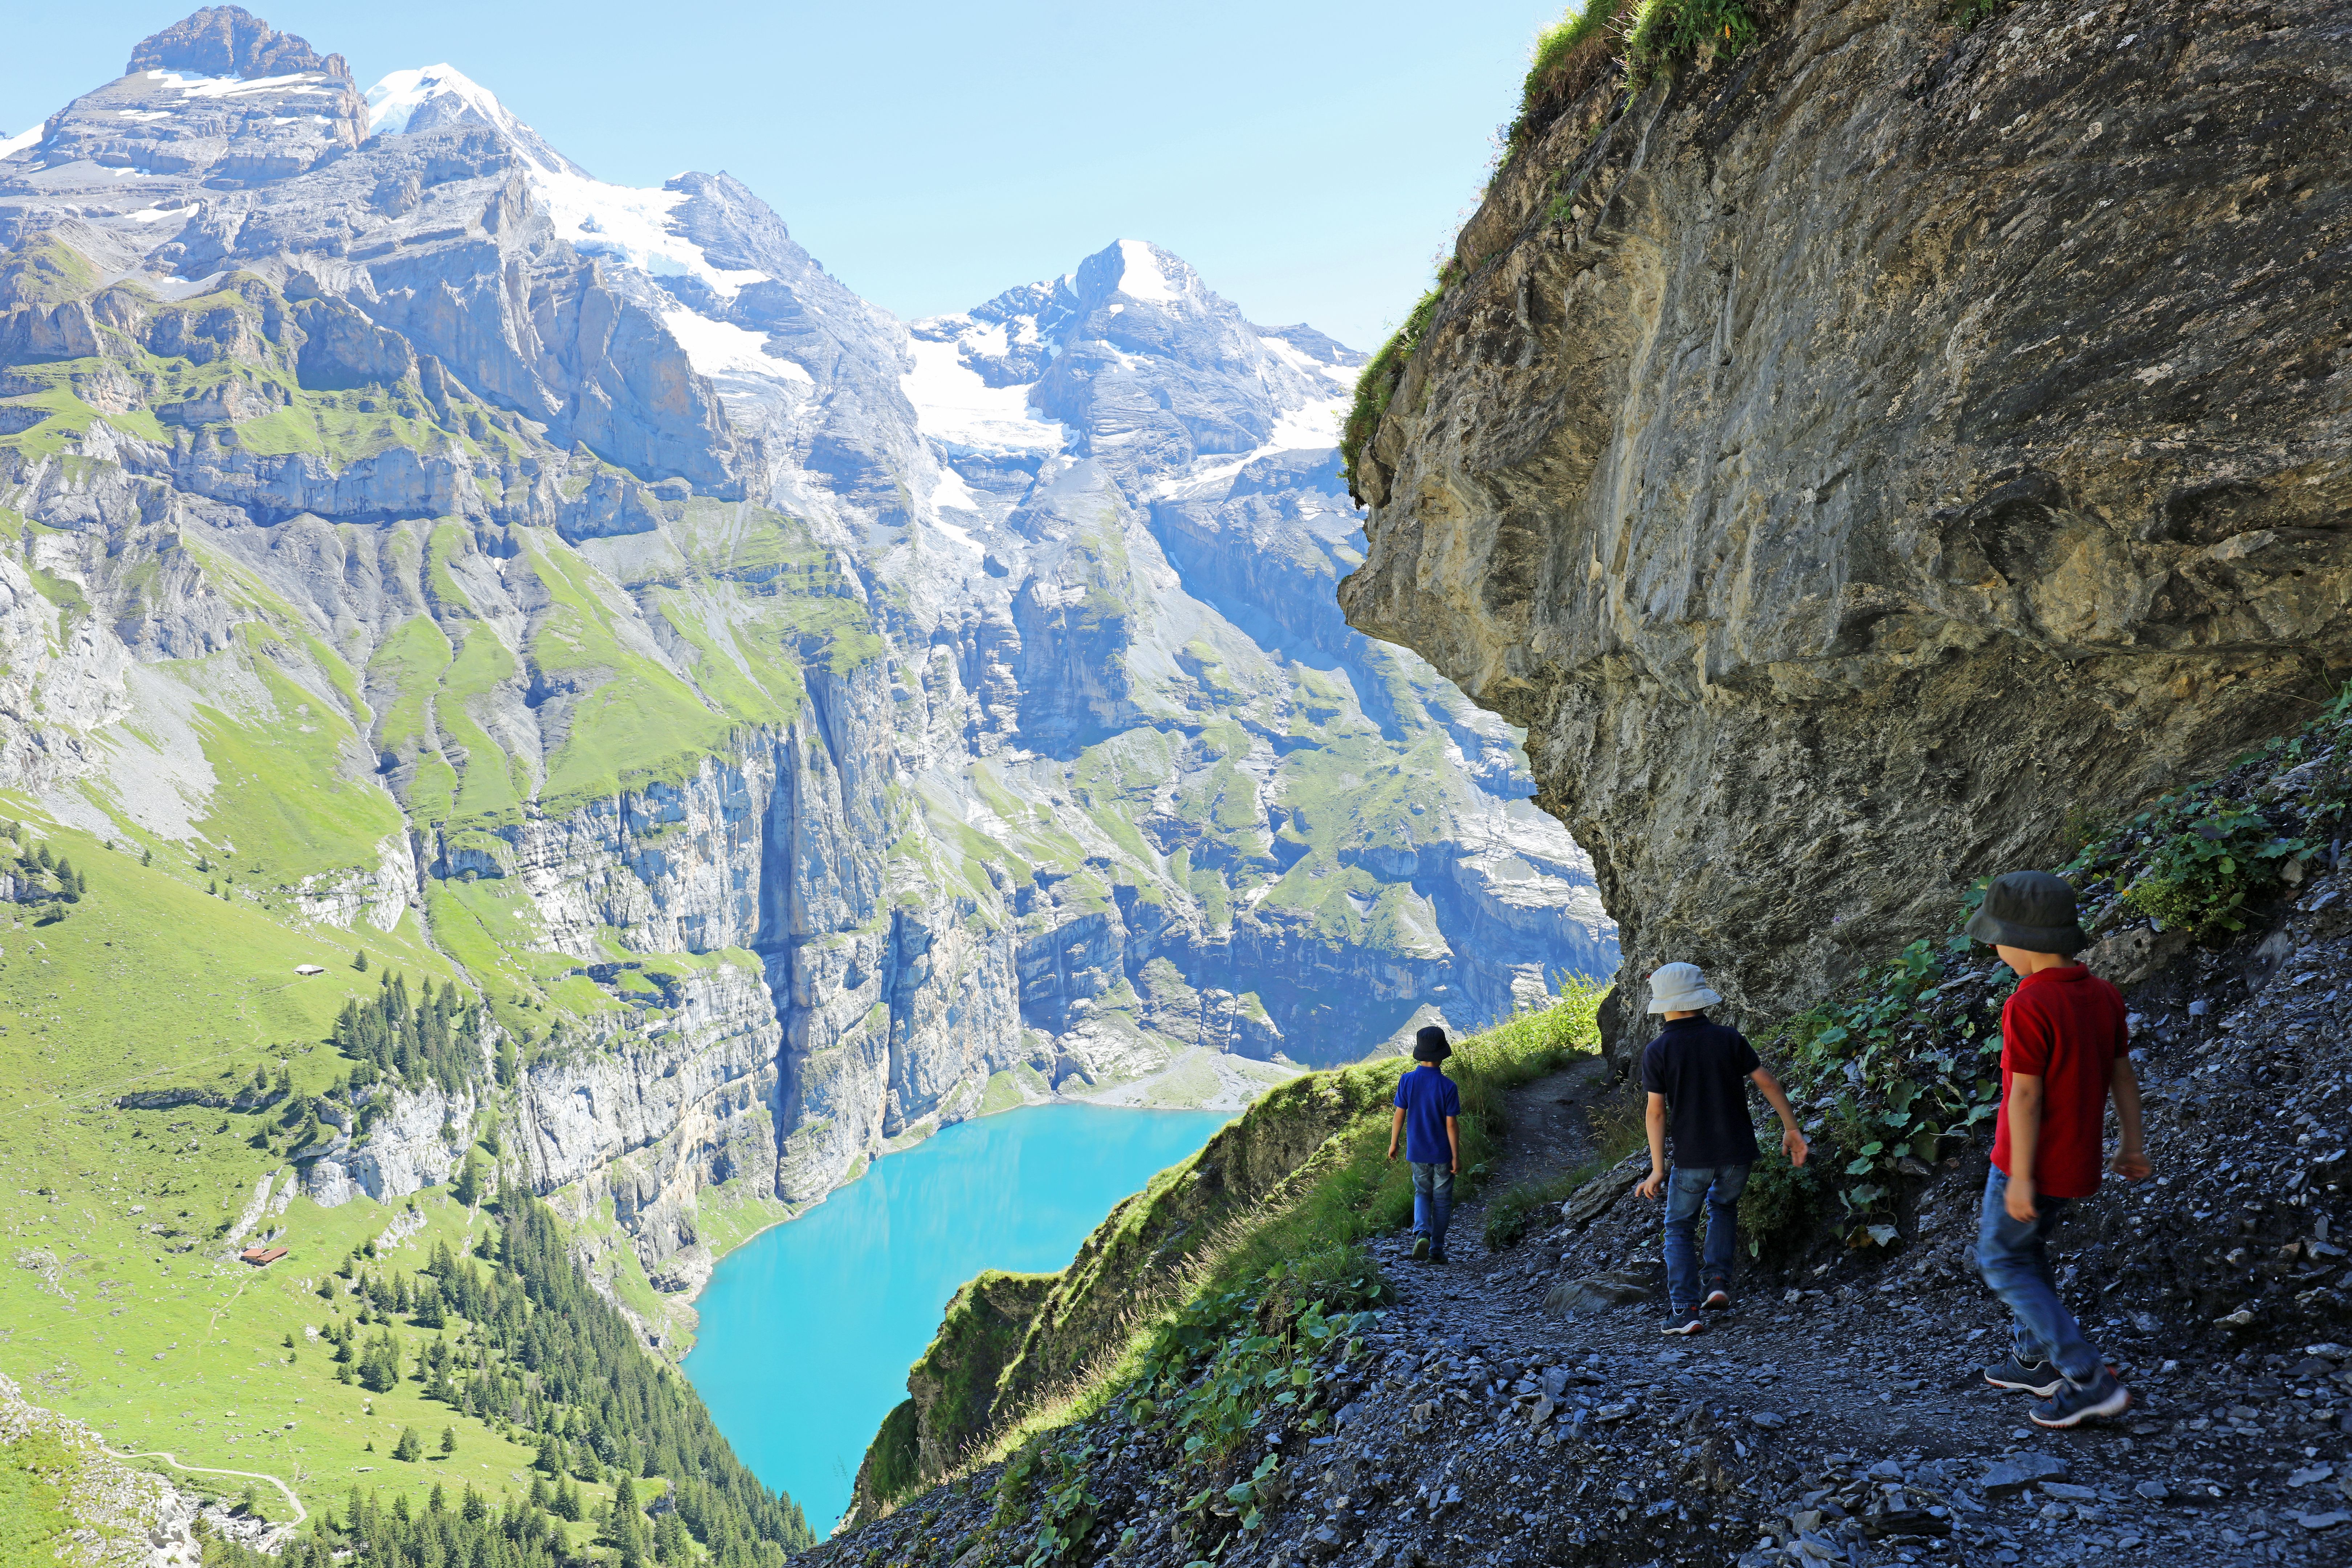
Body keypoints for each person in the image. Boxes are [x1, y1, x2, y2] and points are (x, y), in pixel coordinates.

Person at [1965, 870, 2150, 1428]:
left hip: (2026, 1163)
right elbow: (2122, 1074)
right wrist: (2130, 1144)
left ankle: (2086, 1378)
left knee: (1998, 1259)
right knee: (2028, 1250)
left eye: (1995, 940)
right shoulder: (2101, 994)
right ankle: (2033, 1358)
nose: (1995, 951)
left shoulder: (2028, 1004)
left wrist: (2019, 1176)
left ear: (2022, 942)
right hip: (2075, 1159)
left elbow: (2023, 1096)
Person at [1635, 962, 1809, 1335]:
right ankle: (1716, 1281)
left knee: (1679, 1227)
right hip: (1737, 1153)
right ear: (1701, 1000)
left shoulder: (1658, 1050)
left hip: (1693, 1158)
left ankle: (1684, 1311)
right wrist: (1791, 1129)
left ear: (1663, 1004)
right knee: (1723, 1207)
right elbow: (1766, 1081)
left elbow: (1655, 1112)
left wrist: (1657, 1168)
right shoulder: (1728, 1038)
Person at [1387, 1025, 1462, 1263]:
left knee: (1421, 1193)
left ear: (1419, 1052)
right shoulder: (1448, 1086)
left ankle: (1422, 1232)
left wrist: (1394, 1143)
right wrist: (1455, 1156)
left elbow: (1399, 1115)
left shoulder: (1407, 1081)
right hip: (1442, 1153)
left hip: (1417, 1152)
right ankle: (1436, 1251)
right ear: (1442, 1054)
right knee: (1442, 1201)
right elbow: (1451, 1125)